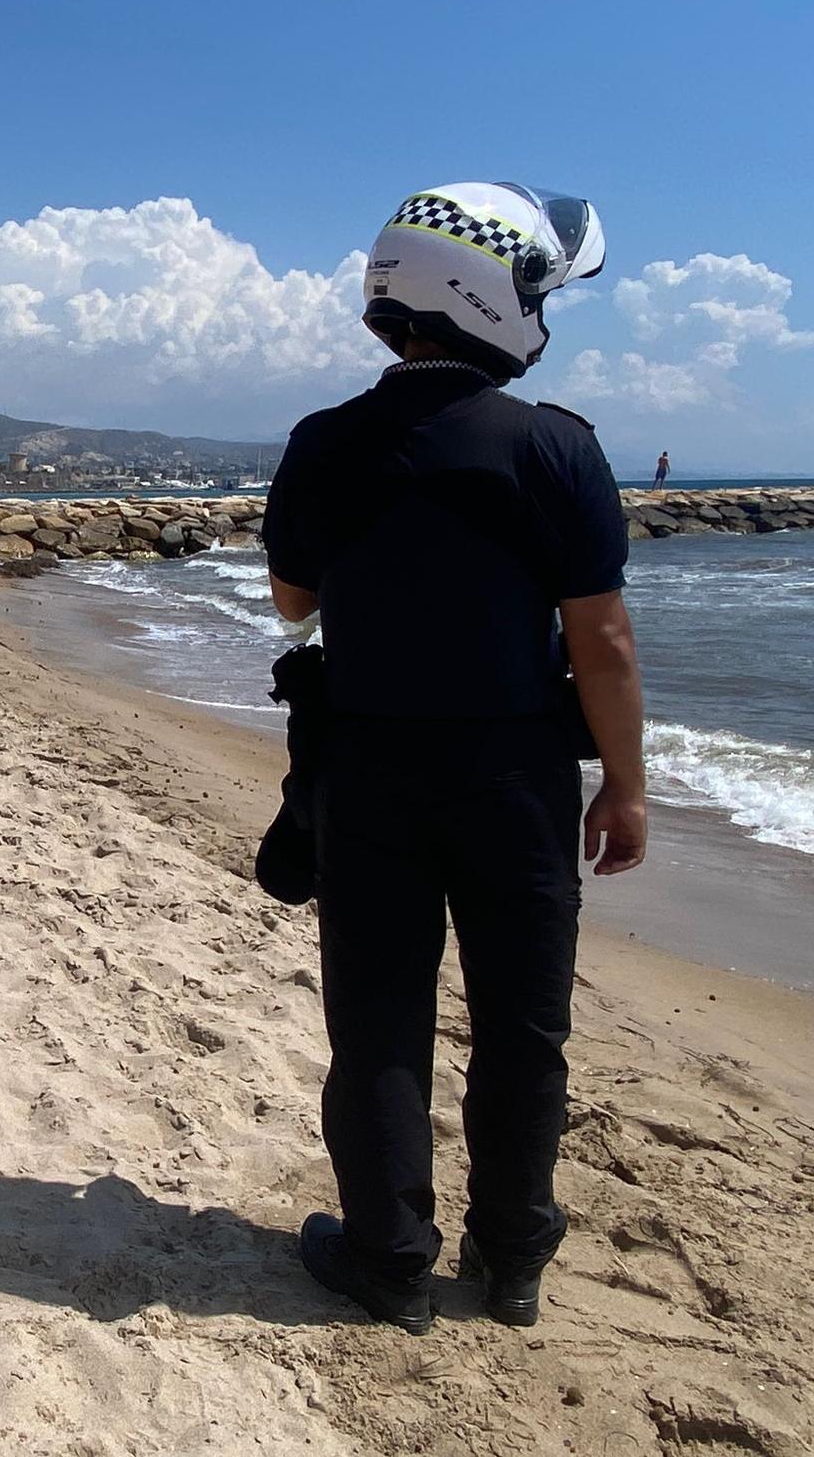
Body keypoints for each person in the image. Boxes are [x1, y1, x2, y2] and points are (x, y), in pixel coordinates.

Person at [264, 182, 646, 1336]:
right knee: (521, 1024)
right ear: (489, 298)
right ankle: (511, 1254)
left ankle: (387, 1258)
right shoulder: (553, 446)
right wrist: (625, 785)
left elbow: (293, 602)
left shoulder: (324, 442)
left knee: (377, 1021)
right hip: (515, 778)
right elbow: (603, 642)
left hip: (366, 770)